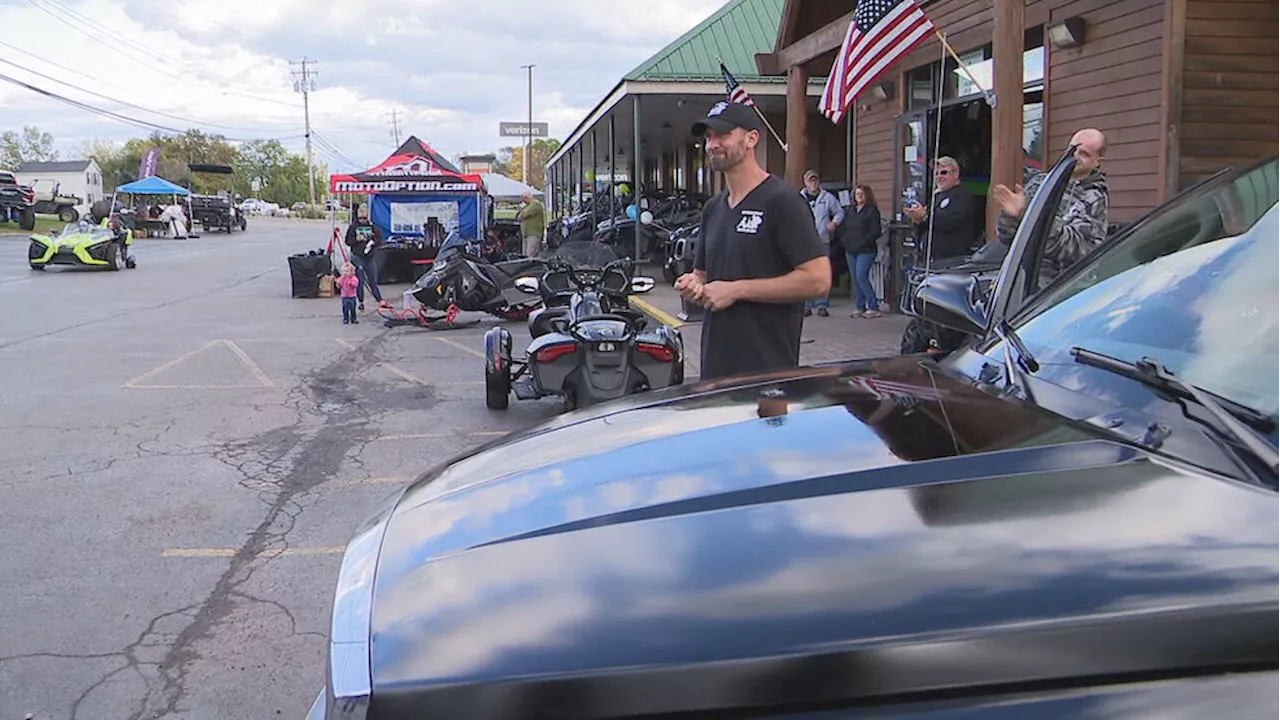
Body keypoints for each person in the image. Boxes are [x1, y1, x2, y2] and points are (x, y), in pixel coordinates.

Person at [675, 101, 830, 381]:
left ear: (751, 139)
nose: (712, 144)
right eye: (708, 137)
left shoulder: (783, 202)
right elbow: (703, 276)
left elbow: (818, 281)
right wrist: (693, 285)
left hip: (767, 373)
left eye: (722, 134)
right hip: (715, 370)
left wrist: (736, 290)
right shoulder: (713, 208)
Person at [992, 128, 1110, 278]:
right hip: (1017, 280)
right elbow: (1007, 237)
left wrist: (1032, 217)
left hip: (1054, 290)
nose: (1074, 156)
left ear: (1097, 162)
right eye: (1072, 149)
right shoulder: (1041, 183)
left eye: (1084, 154)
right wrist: (1011, 217)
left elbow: (1079, 249)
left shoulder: (1094, 197)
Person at [903, 156, 978, 262]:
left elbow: (951, 220)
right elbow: (927, 223)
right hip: (930, 260)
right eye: (936, 174)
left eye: (943, 172)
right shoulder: (937, 197)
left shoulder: (962, 196)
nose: (939, 177)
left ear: (956, 174)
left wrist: (924, 215)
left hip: (951, 261)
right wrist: (917, 219)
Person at [801, 169, 844, 317]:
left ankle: (821, 305)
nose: (813, 183)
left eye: (815, 180)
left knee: (823, 272)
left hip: (823, 240)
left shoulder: (828, 198)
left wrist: (834, 223)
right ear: (805, 183)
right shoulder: (799, 198)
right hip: (805, 240)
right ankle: (806, 305)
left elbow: (840, 212)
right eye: (810, 181)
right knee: (806, 272)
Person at [840, 183, 883, 318]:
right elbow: (843, 227)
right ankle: (860, 306)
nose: (858, 196)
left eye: (861, 194)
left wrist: (862, 243)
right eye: (857, 194)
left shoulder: (872, 210)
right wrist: (845, 241)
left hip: (866, 250)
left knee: (861, 276)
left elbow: (875, 231)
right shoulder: (851, 210)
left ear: (867, 195)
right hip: (850, 249)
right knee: (855, 278)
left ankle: (873, 306)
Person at [344, 203, 384, 311]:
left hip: (369, 256)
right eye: (360, 218)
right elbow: (347, 241)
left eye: (364, 218)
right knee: (359, 280)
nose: (362, 220)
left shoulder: (372, 226)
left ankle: (380, 300)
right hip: (357, 257)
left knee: (373, 280)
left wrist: (373, 242)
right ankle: (361, 301)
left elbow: (380, 239)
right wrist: (356, 239)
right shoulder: (353, 227)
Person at [517, 191, 545, 257]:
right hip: (526, 234)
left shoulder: (535, 204)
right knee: (525, 255)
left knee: (531, 254)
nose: (523, 201)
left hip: (533, 234)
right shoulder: (528, 206)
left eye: (523, 199)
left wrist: (521, 213)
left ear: (526, 197)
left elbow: (524, 215)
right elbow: (518, 217)